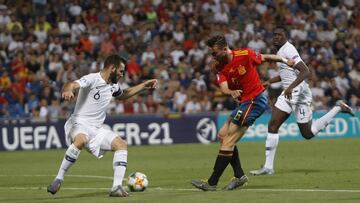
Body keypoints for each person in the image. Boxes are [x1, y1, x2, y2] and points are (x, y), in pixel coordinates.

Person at [191, 35, 294, 191]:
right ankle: (239, 176)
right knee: (222, 135)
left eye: (215, 53)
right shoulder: (218, 66)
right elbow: (224, 86)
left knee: (229, 140)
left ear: (225, 49)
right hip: (245, 102)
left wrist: (286, 61)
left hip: (255, 99)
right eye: (211, 54)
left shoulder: (245, 54)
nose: (213, 57)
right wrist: (230, 91)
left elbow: (266, 57)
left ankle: (212, 183)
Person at [47, 54, 157, 197]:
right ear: (112, 68)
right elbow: (72, 84)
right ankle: (59, 178)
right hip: (79, 123)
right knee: (81, 140)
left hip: (96, 129)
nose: (122, 74)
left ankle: (116, 187)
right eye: (121, 71)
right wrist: (67, 90)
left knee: (121, 144)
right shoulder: (93, 79)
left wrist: (144, 85)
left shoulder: (112, 86)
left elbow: (123, 94)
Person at [250, 26, 355, 176]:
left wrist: (291, 87)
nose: (276, 37)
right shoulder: (280, 52)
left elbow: (306, 71)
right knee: (273, 125)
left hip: (298, 94)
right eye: (274, 35)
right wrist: (269, 81)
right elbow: (286, 74)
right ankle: (268, 167)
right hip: (288, 93)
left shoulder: (289, 49)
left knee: (308, 133)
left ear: (286, 37)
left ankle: (338, 108)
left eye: (280, 35)